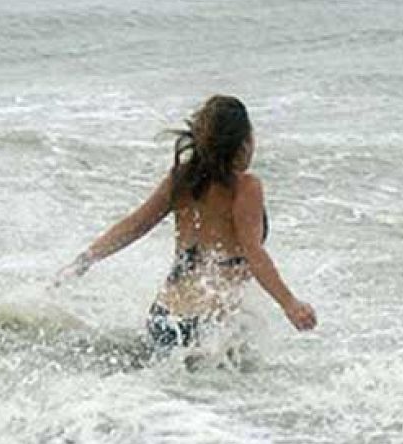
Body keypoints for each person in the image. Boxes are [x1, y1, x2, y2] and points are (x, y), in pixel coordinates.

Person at [60, 94, 317, 348]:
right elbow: (253, 252)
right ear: (243, 143)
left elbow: (136, 224)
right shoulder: (245, 187)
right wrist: (290, 304)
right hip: (208, 325)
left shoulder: (182, 179)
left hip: (163, 319)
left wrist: (85, 260)